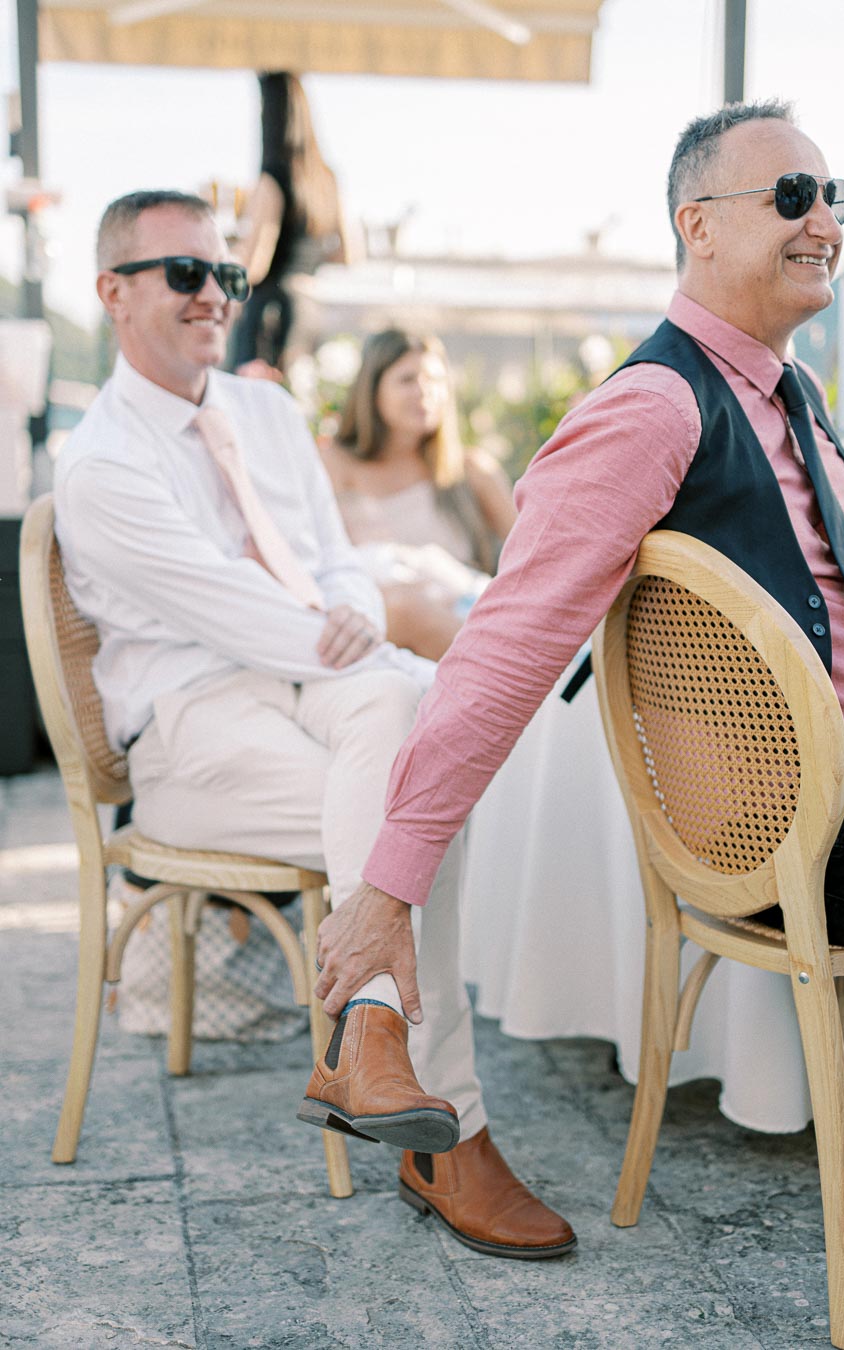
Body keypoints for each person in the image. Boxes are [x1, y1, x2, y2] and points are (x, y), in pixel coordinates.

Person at [309, 102, 844, 1139]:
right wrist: (387, 889)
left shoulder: (791, 389)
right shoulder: (654, 408)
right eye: (792, 197)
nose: (824, 224)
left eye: (832, 196)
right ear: (698, 225)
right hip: (828, 821)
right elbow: (504, 648)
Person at [53, 188, 574, 1260]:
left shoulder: (269, 414)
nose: (215, 295)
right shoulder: (98, 461)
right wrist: (354, 633)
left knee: (405, 727)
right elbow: (223, 607)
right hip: (191, 728)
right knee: (421, 806)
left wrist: (365, 619)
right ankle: (450, 1138)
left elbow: (344, 565)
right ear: (112, 292)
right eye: (185, 274)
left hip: (312, 687)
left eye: (225, 275)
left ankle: (375, 1042)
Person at [320, 329, 516, 659]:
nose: (425, 391)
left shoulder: (470, 470)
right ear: (372, 390)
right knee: (401, 606)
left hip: (462, 628)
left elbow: (535, 560)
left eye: (435, 379)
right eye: (407, 379)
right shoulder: (334, 464)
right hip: (377, 640)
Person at [230, 73, 349, 376]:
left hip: (270, 314)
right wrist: (303, 260)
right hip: (310, 308)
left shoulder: (272, 180)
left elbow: (254, 266)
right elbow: (347, 255)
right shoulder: (326, 178)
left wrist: (228, 247)